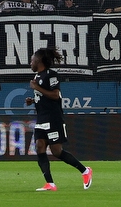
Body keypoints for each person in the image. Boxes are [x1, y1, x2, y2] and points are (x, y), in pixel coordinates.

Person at [25, 46, 92, 192]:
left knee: (56, 151)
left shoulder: (51, 75)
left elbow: (55, 95)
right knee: (39, 147)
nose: (30, 63)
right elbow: (44, 96)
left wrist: (37, 88)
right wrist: (34, 100)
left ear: (39, 60)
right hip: (41, 119)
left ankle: (85, 171)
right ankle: (50, 183)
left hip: (53, 119)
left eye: (32, 60)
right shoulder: (37, 77)